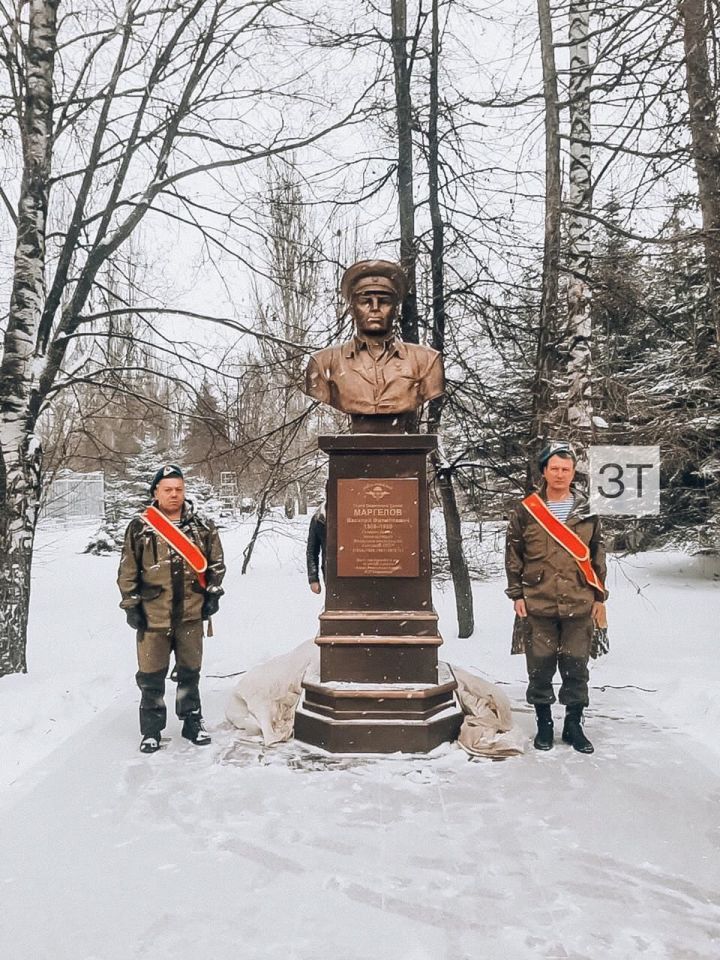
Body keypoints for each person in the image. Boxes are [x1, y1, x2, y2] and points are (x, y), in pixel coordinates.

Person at [505, 442, 608, 754]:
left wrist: (600, 597)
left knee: (576, 667)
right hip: (537, 601)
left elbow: (598, 554)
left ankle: (574, 725)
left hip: (579, 599)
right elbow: (513, 554)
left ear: (573, 472)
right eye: (554, 468)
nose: (560, 474)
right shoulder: (526, 511)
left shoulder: (588, 510)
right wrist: (516, 594)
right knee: (539, 667)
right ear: (544, 471)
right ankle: (544, 724)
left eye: (566, 469)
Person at [117, 464, 226, 753]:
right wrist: (131, 605)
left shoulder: (201, 526)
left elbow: (216, 563)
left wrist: (213, 593)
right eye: (168, 489)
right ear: (156, 492)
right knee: (151, 675)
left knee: (190, 671)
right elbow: (128, 570)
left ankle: (192, 721)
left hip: (191, 613)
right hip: (153, 614)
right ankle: (151, 730)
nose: (174, 494)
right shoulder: (141, 527)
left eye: (179, 489)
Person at [303, 259, 444, 432]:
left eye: (384, 301)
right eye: (365, 301)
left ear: (396, 310)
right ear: (352, 310)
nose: (375, 308)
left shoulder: (427, 361)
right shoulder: (323, 363)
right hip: (353, 450)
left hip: (401, 447)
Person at [306, 502, 326, 594]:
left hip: (361, 572)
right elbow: (312, 551)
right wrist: (313, 578)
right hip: (331, 574)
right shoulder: (319, 518)